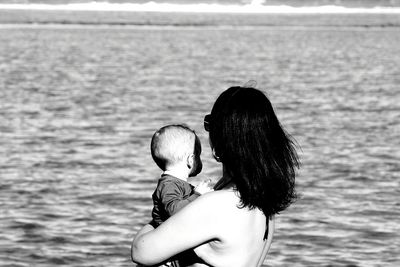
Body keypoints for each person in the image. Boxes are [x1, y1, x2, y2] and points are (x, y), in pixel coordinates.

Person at [131, 86, 299, 267]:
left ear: (223, 138)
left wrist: (162, 208)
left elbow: (141, 251)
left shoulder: (216, 204)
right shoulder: (265, 207)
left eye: (209, 125)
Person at [149, 124, 213, 266]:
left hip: (175, 248)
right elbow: (174, 210)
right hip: (168, 256)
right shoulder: (169, 185)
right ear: (190, 160)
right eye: (199, 155)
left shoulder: (176, 184)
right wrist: (197, 195)